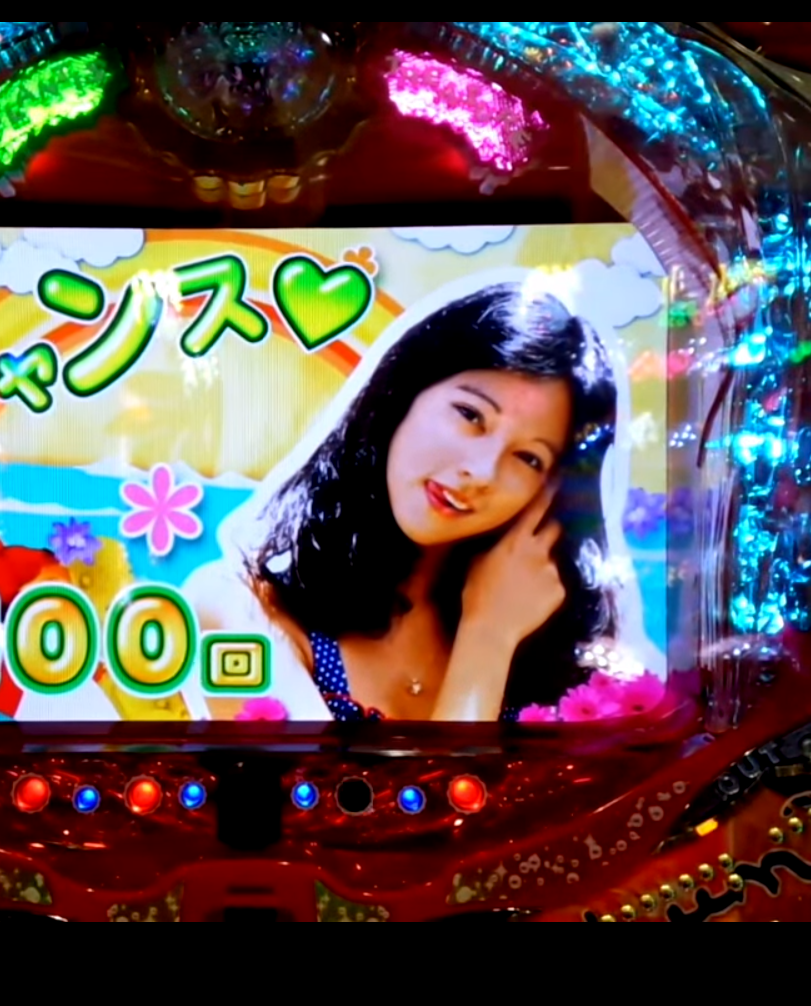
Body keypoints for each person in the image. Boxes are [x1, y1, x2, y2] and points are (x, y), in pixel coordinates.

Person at [188, 280, 622, 722]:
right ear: (404, 393)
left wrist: (498, 622)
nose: (482, 471)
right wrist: (487, 636)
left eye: (529, 458)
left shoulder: (553, 649)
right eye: (470, 415)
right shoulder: (242, 608)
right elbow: (318, 772)